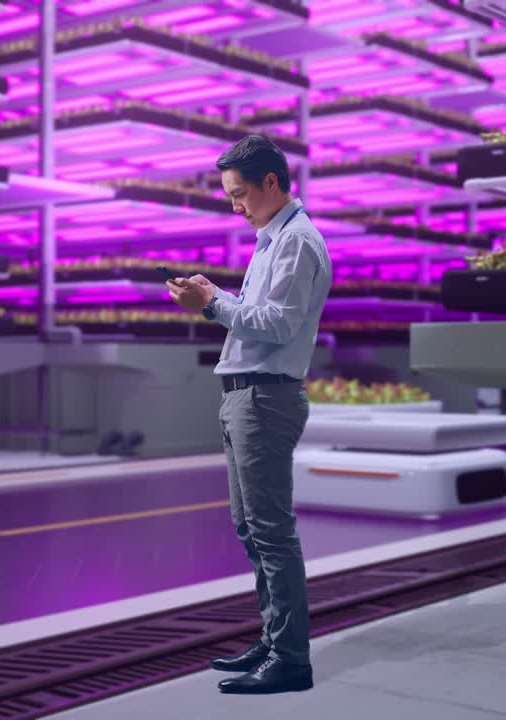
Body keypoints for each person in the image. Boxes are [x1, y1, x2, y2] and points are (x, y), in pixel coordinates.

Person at [165, 134, 332, 695]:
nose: (235, 205)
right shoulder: (270, 240)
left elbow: (278, 325)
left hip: (265, 398)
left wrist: (209, 304)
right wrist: (214, 292)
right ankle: (274, 637)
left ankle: (290, 660)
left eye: (240, 194)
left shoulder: (297, 243)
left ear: (271, 183)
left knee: (271, 532)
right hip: (245, 395)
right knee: (250, 529)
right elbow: (259, 311)